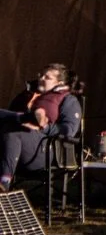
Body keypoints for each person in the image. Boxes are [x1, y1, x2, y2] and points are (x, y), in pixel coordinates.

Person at [0, 63, 81, 191]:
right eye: (41, 75)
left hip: (43, 151)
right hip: (13, 146)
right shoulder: (27, 95)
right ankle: (22, 118)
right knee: (8, 125)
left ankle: (3, 183)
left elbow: (69, 130)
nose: (41, 78)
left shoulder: (68, 101)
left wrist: (44, 127)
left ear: (59, 83)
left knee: (13, 132)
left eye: (47, 77)